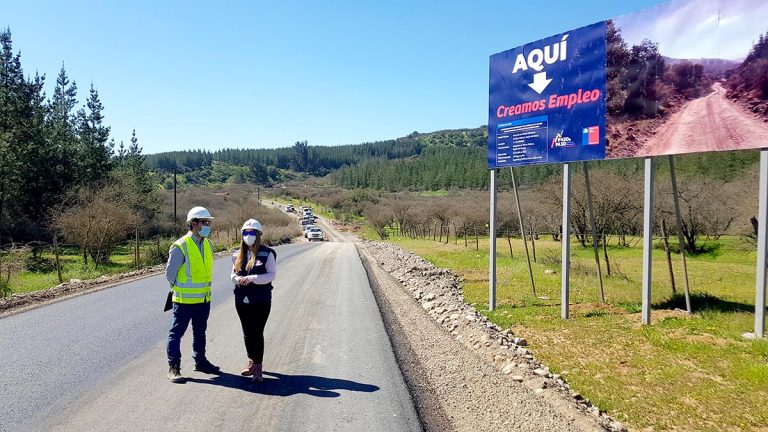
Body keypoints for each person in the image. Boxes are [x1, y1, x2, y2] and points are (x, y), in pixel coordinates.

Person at [165, 206, 220, 383]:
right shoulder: (180, 246)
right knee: (176, 334)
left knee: (200, 332)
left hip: (203, 300)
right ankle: (174, 368)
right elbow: (170, 274)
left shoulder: (208, 244)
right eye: (205, 222)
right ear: (194, 224)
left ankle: (201, 362)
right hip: (184, 301)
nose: (208, 226)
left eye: (208, 222)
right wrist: (180, 288)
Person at [231, 219, 277, 382]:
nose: (248, 236)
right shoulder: (237, 254)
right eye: (245, 233)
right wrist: (238, 280)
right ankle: (251, 360)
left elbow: (271, 275)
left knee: (257, 332)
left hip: (261, 300)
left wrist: (252, 278)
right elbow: (233, 275)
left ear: (258, 235)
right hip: (242, 300)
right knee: (247, 332)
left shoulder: (267, 253)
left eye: (251, 233)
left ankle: (258, 367)